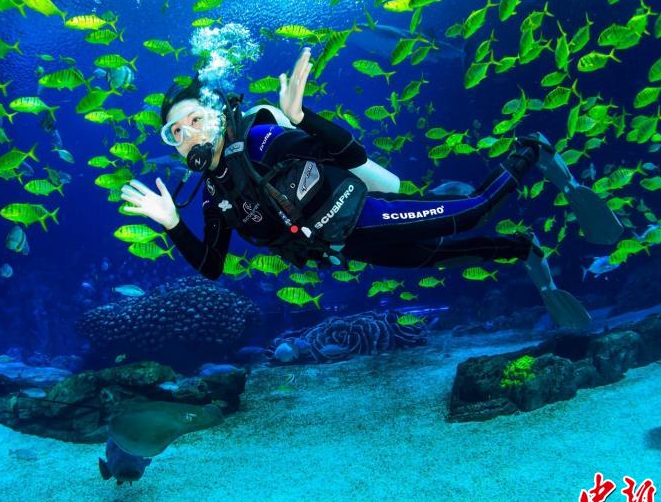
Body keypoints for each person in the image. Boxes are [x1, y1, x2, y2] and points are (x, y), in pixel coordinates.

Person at [120, 48, 623, 329]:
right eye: (175, 132)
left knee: (471, 211)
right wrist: (170, 225)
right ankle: (523, 247)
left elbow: (349, 158)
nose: (188, 135)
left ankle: (529, 149)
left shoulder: (260, 141)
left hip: (362, 211)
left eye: (194, 120)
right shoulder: (213, 196)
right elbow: (211, 267)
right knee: (435, 258)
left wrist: (301, 118)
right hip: (344, 244)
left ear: (214, 117)